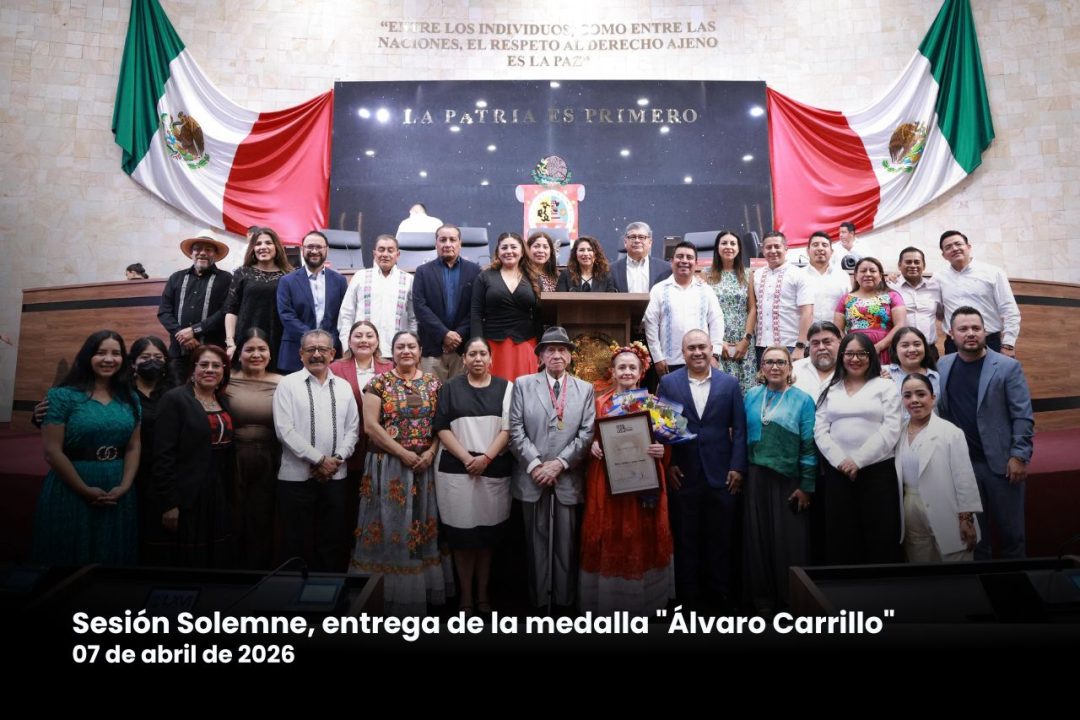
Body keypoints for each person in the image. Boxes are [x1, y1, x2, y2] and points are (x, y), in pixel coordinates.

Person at [351, 331, 448, 615]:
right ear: (391, 352)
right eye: (400, 346)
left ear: (420, 351)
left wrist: (430, 453)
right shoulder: (378, 383)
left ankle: (417, 593)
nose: (406, 351)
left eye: (411, 346)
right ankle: (382, 595)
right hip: (388, 466)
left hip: (424, 467)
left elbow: (441, 425)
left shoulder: (433, 383)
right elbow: (370, 427)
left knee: (420, 524)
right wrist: (403, 453)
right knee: (389, 525)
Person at [580, 342, 674, 614]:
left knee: (642, 533)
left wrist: (661, 450)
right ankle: (608, 602)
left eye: (633, 367)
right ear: (612, 371)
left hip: (645, 481)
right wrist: (591, 446)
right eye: (621, 367)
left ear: (641, 372)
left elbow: (670, 443)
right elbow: (586, 437)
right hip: (606, 482)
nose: (627, 372)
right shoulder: (598, 403)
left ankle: (644, 601)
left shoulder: (654, 403)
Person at [33, 330, 140, 566]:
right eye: (101, 352)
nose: (109, 359)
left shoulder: (130, 398)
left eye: (116, 353)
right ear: (87, 356)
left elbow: (134, 446)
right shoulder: (62, 396)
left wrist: (124, 486)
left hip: (117, 485)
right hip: (72, 484)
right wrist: (84, 489)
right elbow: (52, 452)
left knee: (112, 557)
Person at [658, 329, 747, 609]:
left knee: (720, 539)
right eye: (691, 348)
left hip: (722, 475)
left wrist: (737, 467)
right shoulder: (668, 383)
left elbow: (740, 429)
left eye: (702, 347)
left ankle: (720, 599)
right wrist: (669, 464)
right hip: (683, 475)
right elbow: (663, 428)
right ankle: (688, 602)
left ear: (711, 349)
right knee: (686, 539)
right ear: (683, 353)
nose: (697, 352)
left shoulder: (729, 383)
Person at [509, 326, 596, 610]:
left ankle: (563, 605)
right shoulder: (523, 384)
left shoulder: (585, 389)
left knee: (566, 546)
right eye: (550, 350)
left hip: (566, 478)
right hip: (532, 477)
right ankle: (538, 604)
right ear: (541, 356)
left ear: (570, 356)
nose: (557, 355)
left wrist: (559, 464)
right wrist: (536, 465)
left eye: (562, 350)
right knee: (535, 544)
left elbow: (586, 433)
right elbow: (515, 429)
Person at [937, 307, 1034, 559]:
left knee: (1012, 536)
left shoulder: (1007, 367)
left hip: (1002, 465)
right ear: (951, 334)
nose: (970, 333)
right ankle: (983, 583)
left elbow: (1022, 414)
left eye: (976, 328)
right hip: (963, 467)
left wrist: (1019, 455)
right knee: (977, 539)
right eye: (963, 329)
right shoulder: (943, 365)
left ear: (985, 331)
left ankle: (1017, 581)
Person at [433, 337, 514, 614]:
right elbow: (442, 427)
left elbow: (508, 429)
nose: (478, 359)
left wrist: (486, 458)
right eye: (472, 354)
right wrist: (468, 459)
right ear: (464, 359)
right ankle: (466, 596)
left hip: (493, 468)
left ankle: (482, 595)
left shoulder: (506, 388)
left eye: (482, 354)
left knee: (486, 537)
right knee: (462, 538)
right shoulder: (450, 388)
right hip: (457, 469)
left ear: (491, 358)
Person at [273, 329, 359, 572]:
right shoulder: (287, 385)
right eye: (311, 349)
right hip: (296, 479)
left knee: (331, 542)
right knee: (294, 543)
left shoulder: (344, 387)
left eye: (323, 349)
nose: (317, 354)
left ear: (333, 353)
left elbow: (353, 429)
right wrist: (320, 460)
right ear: (300, 354)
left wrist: (337, 459)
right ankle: (292, 593)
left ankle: (327, 592)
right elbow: (284, 430)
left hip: (336, 478)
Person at [814, 332, 903, 565]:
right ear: (841, 356)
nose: (855, 359)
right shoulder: (829, 387)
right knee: (841, 536)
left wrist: (858, 460)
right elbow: (820, 430)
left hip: (877, 471)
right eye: (849, 353)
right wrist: (841, 461)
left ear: (871, 356)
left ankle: (880, 587)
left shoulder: (885, 386)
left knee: (880, 536)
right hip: (838, 472)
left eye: (862, 353)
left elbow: (891, 428)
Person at [742, 346, 816, 615]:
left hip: (788, 480)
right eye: (769, 362)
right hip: (755, 478)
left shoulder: (803, 400)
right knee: (757, 540)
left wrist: (806, 486)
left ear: (790, 367)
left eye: (781, 362)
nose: (775, 367)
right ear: (761, 367)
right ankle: (762, 602)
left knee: (788, 543)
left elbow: (809, 445)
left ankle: (790, 602)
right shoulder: (751, 396)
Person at [150, 344, 235, 568]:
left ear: (224, 371)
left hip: (216, 490)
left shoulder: (223, 401)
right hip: (186, 492)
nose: (210, 370)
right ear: (193, 369)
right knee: (188, 560)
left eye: (217, 365)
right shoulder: (175, 399)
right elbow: (163, 455)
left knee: (215, 557)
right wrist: (169, 503)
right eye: (204, 364)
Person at [896, 373, 982, 562]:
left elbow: (964, 478)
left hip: (947, 506)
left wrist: (966, 518)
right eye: (907, 396)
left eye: (921, 394)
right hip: (911, 509)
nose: (914, 400)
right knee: (921, 566)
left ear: (933, 398)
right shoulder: (898, 432)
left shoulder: (950, 432)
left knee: (955, 565)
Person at [330, 319, 393, 561]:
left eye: (369, 335)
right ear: (349, 340)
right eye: (358, 335)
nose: (364, 340)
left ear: (377, 340)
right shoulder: (335, 368)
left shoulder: (390, 368)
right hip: (346, 446)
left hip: (381, 445)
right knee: (348, 505)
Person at [223, 328, 282, 569]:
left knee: (262, 518)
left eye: (262, 349)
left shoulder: (283, 382)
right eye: (249, 349)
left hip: (269, 459)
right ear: (239, 353)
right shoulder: (225, 380)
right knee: (233, 517)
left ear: (270, 354)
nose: (256, 354)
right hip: (232, 458)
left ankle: (259, 573)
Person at [643, 240, 725, 376]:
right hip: (669, 362)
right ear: (672, 261)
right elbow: (651, 325)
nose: (684, 261)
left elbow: (717, 321)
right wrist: (657, 358)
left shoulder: (706, 290)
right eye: (680, 256)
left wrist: (715, 354)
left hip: (701, 360)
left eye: (689, 257)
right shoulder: (658, 290)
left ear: (696, 263)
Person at [412, 224, 482, 380]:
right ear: (436, 244)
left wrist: (458, 336)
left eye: (452, 239)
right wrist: (444, 334)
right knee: (432, 394)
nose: (448, 244)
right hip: (432, 348)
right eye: (443, 240)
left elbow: (476, 308)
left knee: (461, 394)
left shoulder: (475, 271)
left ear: (460, 243)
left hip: (463, 349)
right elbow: (420, 307)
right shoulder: (423, 271)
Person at [470, 231, 541, 381]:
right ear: (498, 252)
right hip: (492, 346)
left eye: (513, 247)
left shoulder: (533, 278)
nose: (509, 251)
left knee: (524, 390)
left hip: (525, 344)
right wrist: (477, 346)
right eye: (504, 248)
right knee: (494, 390)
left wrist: (541, 348)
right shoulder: (484, 277)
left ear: (522, 251)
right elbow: (476, 313)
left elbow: (538, 316)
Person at [938, 231, 1021, 357]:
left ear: (968, 247)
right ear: (944, 255)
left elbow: (1009, 309)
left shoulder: (994, 272)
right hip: (954, 345)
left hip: (990, 342)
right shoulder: (938, 278)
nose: (954, 248)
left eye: (958, 244)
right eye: (948, 247)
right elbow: (938, 311)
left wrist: (1008, 343)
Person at [127, 336, 173, 561]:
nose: (152, 361)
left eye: (158, 357)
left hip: (162, 472)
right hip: (127, 471)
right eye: (145, 357)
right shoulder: (120, 392)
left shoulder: (175, 393)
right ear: (133, 363)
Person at [276, 230, 349, 373]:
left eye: (319, 247)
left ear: (327, 250)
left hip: (330, 352)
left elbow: (343, 315)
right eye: (309, 247)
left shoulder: (339, 281)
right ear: (302, 250)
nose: (314, 251)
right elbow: (286, 315)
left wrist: (328, 342)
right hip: (295, 351)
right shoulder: (287, 281)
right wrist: (313, 340)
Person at [158, 230, 233, 366]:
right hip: (178, 354)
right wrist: (182, 336)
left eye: (208, 250)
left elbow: (225, 311)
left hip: (212, 353)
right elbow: (164, 312)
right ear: (191, 253)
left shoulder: (226, 279)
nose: (202, 253)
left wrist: (195, 330)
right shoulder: (176, 278)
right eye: (197, 249)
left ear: (215, 254)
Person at [223, 226, 292, 371]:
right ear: (252, 248)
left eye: (268, 243)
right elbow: (231, 310)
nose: (263, 247)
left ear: (277, 247)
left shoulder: (289, 276)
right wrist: (230, 342)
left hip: (277, 339)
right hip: (245, 338)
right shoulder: (242, 273)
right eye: (258, 243)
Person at [339, 234, 417, 358]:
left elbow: (413, 319)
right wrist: (347, 346)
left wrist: (411, 346)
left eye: (390, 250)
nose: (385, 254)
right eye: (381, 250)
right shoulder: (360, 277)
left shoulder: (408, 280)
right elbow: (346, 315)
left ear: (398, 254)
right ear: (374, 253)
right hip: (362, 352)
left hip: (397, 353)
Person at [705, 229, 757, 393]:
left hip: (743, 342)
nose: (729, 247)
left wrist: (746, 339)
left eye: (733, 243)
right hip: (717, 342)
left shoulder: (748, 274)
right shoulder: (705, 275)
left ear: (739, 248)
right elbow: (703, 312)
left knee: (746, 391)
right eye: (724, 243)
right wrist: (718, 343)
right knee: (719, 391)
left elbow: (752, 308)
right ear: (717, 248)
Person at [834, 256, 908, 365]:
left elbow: (900, 325)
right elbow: (837, 329)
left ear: (880, 275)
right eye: (863, 271)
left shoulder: (892, 296)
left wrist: (879, 347)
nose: (868, 274)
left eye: (873, 271)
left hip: (885, 349)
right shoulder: (846, 299)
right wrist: (850, 348)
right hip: (853, 353)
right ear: (855, 275)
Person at [754, 231, 814, 363]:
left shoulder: (799, 274)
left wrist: (800, 346)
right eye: (768, 247)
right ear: (763, 250)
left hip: (790, 346)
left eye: (777, 246)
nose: (773, 251)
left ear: (786, 249)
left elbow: (807, 312)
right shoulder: (757, 275)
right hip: (761, 346)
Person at [888, 246, 942, 356]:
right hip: (900, 351)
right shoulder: (890, 288)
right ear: (899, 265)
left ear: (924, 266)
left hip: (929, 350)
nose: (913, 265)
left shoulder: (935, 287)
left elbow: (941, 315)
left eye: (917, 262)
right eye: (908, 262)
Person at [802, 231, 852, 323]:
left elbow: (848, 307)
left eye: (824, 245)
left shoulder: (842, 276)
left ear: (832, 252)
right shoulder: (798, 275)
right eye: (815, 245)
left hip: (836, 331)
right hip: (806, 331)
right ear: (807, 251)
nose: (820, 248)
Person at [611, 221, 671, 293]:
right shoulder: (611, 270)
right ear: (625, 242)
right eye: (632, 237)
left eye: (641, 237)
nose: (637, 240)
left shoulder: (665, 269)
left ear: (650, 242)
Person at [884, 326, 939, 400]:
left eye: (917, 344)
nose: (912, 350)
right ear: (895, 350)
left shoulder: (935, 377)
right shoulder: (884, 373)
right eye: (905, 345)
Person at [792, 321, 841, 402]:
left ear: (840, 342)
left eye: (827, 342)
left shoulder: (850, 371)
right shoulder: (794, 370)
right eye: (815, 343)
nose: (821, 347)